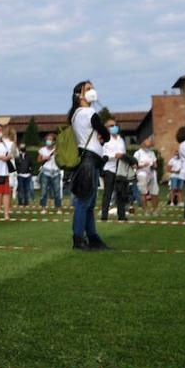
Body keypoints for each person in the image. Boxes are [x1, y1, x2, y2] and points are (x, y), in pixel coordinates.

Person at [69, 81, 110, 250]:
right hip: (89, 160)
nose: (92, 91)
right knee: (84, 202)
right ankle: (79, 238)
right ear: (79, 95)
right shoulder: (88, 112)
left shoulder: (75, 114)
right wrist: (105, 135)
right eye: (88, 89)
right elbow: (105, 134)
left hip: (85, 159)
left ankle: (91, 237)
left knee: (88, 202)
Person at [100, 118, 127, 221]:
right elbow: (104, 154)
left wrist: (122, 157)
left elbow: (124, 152)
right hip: (109, 169)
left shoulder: (121, 139)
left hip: (120, 169)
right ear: (106, 128)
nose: (114, 127)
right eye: (111, 126)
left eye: (115, 125)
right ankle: (104, 214)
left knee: (121, 192)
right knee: (108, 192)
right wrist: (114, 156)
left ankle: (122, 215)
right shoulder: (105, 140)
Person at [134, 137, 158, 215]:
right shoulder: (137, 153)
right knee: (143, 193)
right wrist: (143, 165)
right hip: (142, 174)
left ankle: (155, 210)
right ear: (142, 142)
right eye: (147, 140)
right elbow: (134, 166)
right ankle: (145, 210)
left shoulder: (152, 153)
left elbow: (155, 164)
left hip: (152, 174)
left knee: (154, 193)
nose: (150, 141)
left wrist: (154, 166)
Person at [38, 134, 62, 213]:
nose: (48, 141)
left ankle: (58, 208)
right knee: (44, 191)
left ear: (54, 141)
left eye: (50, 139)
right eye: (47, 139)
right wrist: (44, 158)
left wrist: (57, 156)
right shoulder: (42, 150)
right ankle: (43, 208)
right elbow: (38, 160)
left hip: (56, 172)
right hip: (45, 172)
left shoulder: (57, 150)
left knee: (57, 191)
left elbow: (61, 162)